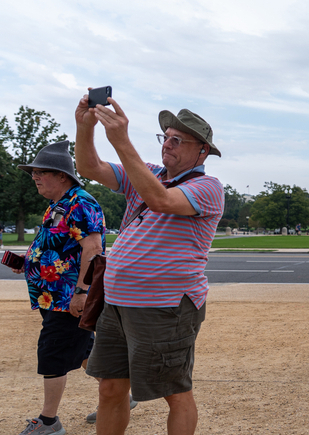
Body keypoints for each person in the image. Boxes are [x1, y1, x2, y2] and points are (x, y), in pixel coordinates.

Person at [74, 94, 224, 435]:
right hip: (117, 304)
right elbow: (89, 168)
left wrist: (122, 141)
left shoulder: (208, 187)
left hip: (165, 307)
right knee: (110, 388)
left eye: (177, 140)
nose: (167, 145)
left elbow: (160, 199)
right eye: (165, 137)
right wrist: (85, 128)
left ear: (203, 151)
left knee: (174, 391)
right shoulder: (149, 174)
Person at [13, 140, 105, 435]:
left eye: (41, 172)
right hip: (52, 296)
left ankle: (49, 421)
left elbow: (92, 249)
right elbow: (57, 248)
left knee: (52, 351)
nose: (35, 177)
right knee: (83, 351)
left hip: (68, 299)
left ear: (62, 176)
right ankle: (118, 395)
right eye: (33, 173)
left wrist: (81, 292)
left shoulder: (80, 203)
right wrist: (26, 263)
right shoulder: (57, 206)